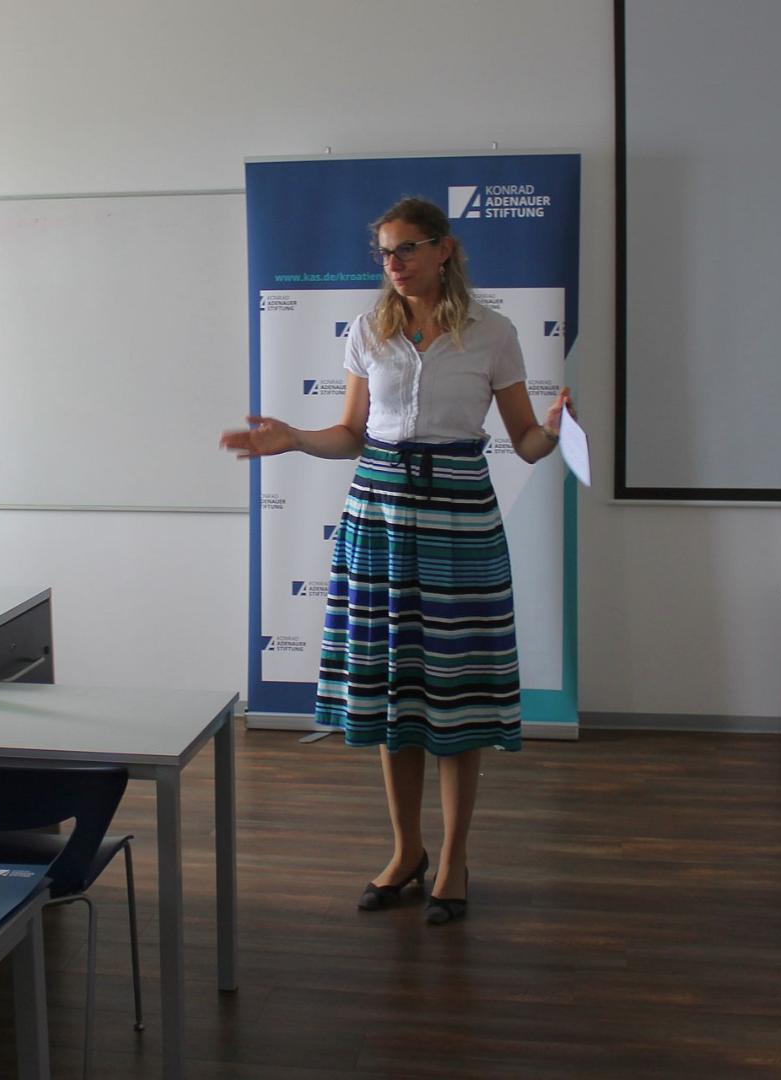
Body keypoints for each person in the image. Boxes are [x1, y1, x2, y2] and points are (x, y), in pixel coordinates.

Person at [220, 196, 574, 925]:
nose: (393, 263)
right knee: (394, 695)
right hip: (378, 516)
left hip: (459, 521)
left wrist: (553, 431)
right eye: (384, 251)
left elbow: (525, 442)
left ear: (445, 250)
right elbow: (351, 434)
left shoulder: (493, 333)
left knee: (458, 697)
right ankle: (406, 850)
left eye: (406, 248)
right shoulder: (368, 330)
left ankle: (453, 860)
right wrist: (293, 438)